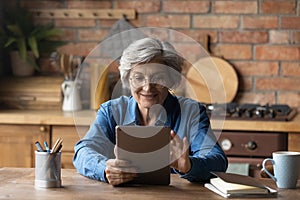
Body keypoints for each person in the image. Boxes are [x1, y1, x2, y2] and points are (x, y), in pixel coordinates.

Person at [73, 37, 228, 186]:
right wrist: (104, 169)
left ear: (171, 80)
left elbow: (218, 161)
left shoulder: (191, 112)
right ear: (128, 80)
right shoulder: (111, 111)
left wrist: (188, 165)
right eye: (138, 78)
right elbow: (83, 152)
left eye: (158, 78)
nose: (147, 88)